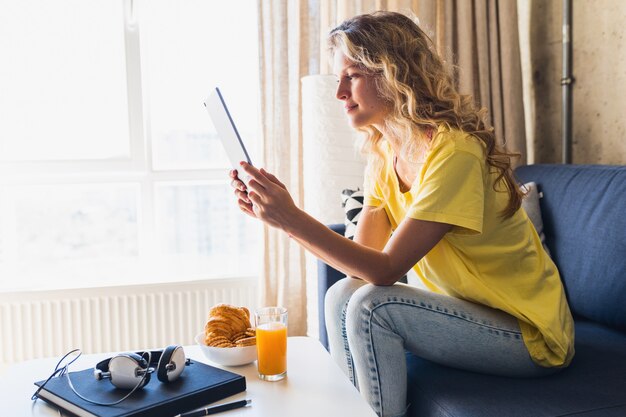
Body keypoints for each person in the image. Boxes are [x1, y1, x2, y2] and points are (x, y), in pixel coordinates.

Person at [229, 11, 574, 417]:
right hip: (471, 315)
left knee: (373, 306)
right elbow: (361, 267)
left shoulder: (454, 151)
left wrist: (291, 218)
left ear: (394, 73)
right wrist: (281, 220)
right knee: (343, 293)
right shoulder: (384, 153)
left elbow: (385, 271)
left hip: (529, 333)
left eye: (352, 75)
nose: (339, 92)